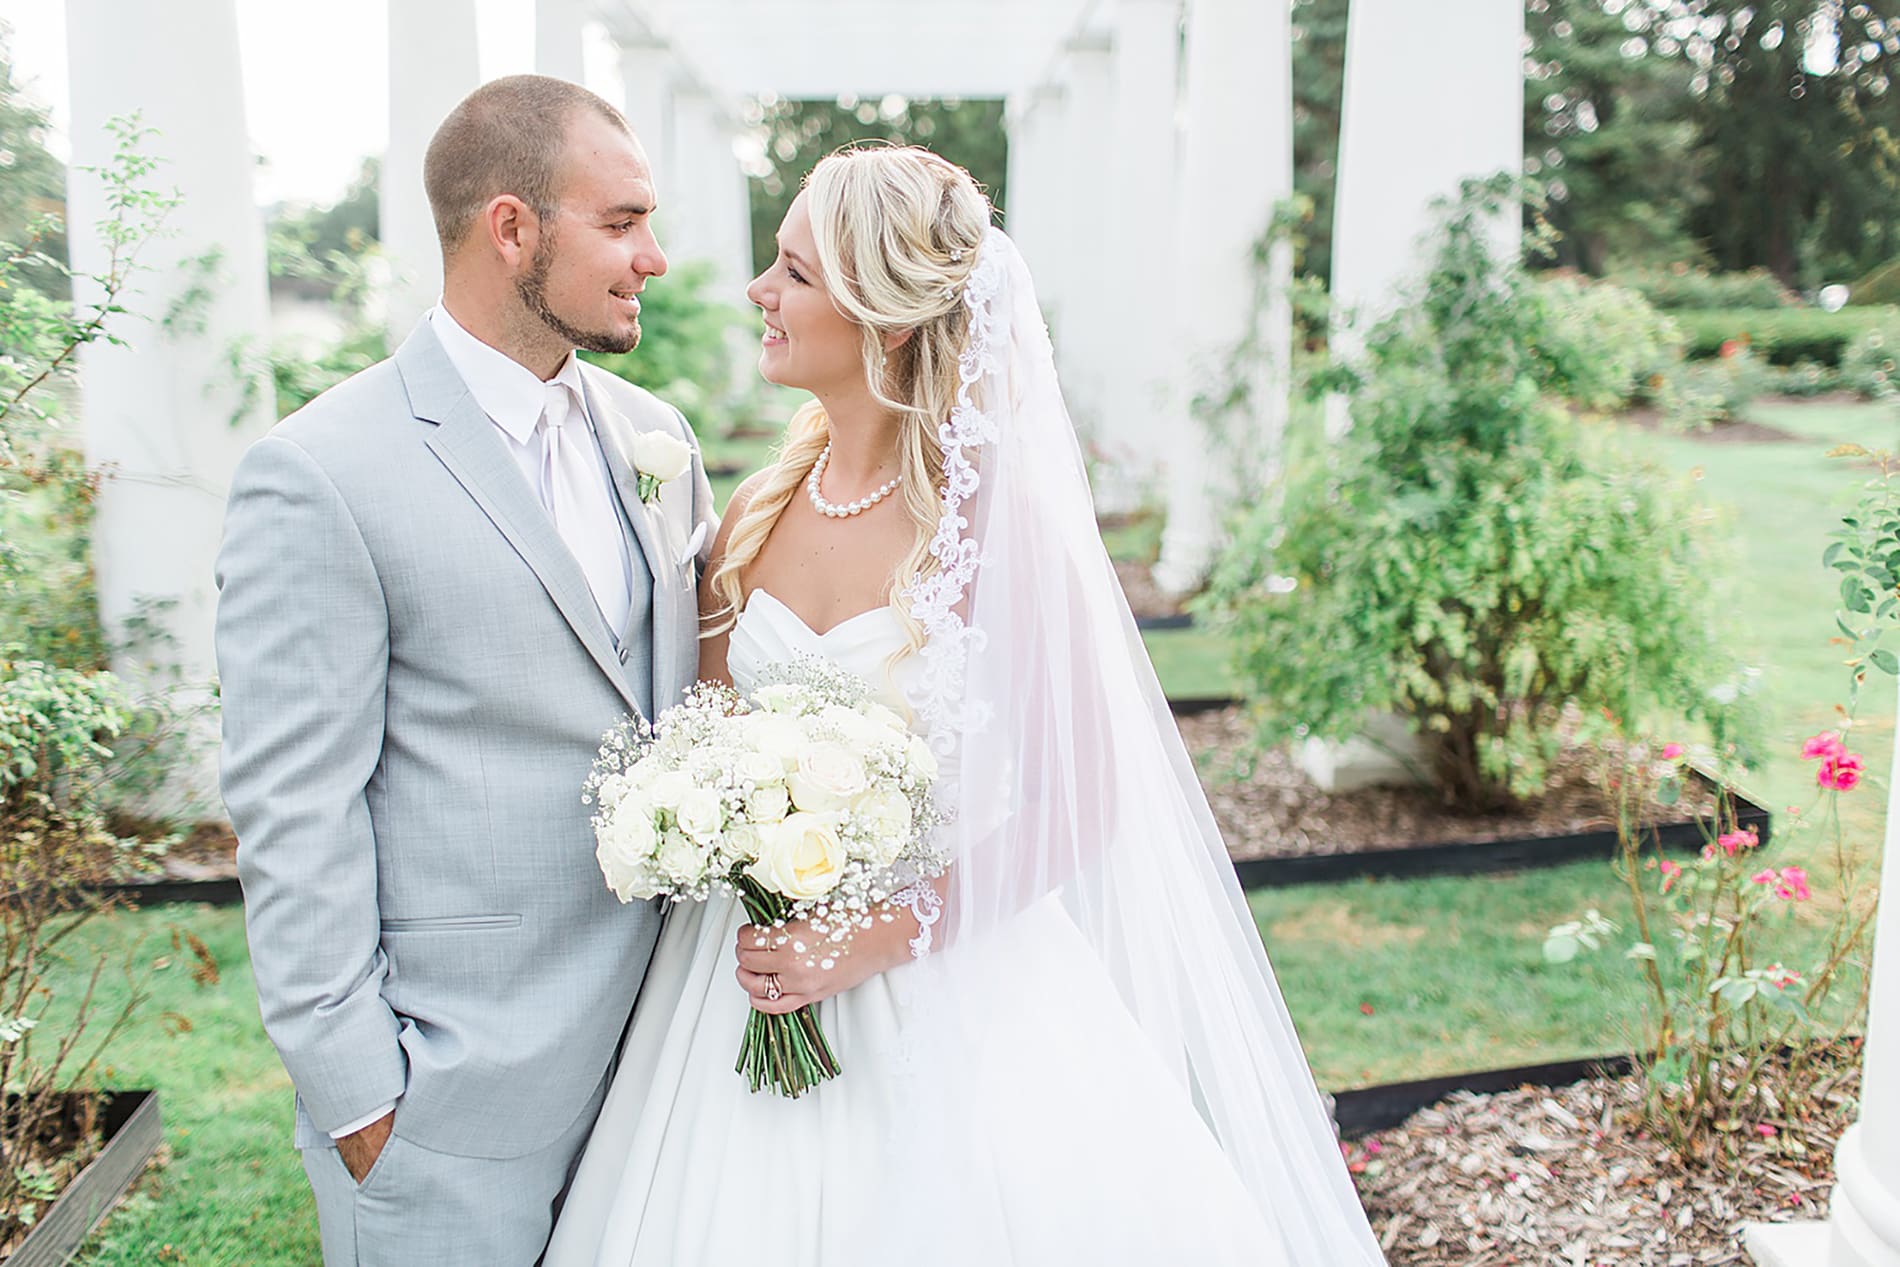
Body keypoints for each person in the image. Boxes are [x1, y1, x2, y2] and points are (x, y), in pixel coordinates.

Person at [545, 145, 1387, 1266]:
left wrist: (857, 944)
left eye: (792, 271)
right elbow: (703, 739)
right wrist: (716, 839)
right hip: (735, 979)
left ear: (884, 321)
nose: (760, 290)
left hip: (946, 986)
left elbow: (1079, 806)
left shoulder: (992, 532)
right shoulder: (753, 508)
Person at [215, 75, 716, 1265]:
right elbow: (293, 811)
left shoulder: (658, 439)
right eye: (622, 220)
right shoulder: (320, 473)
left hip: (666, 1070)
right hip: (449, 1098)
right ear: (511, 228)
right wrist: (364, 1102)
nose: (653, 255)